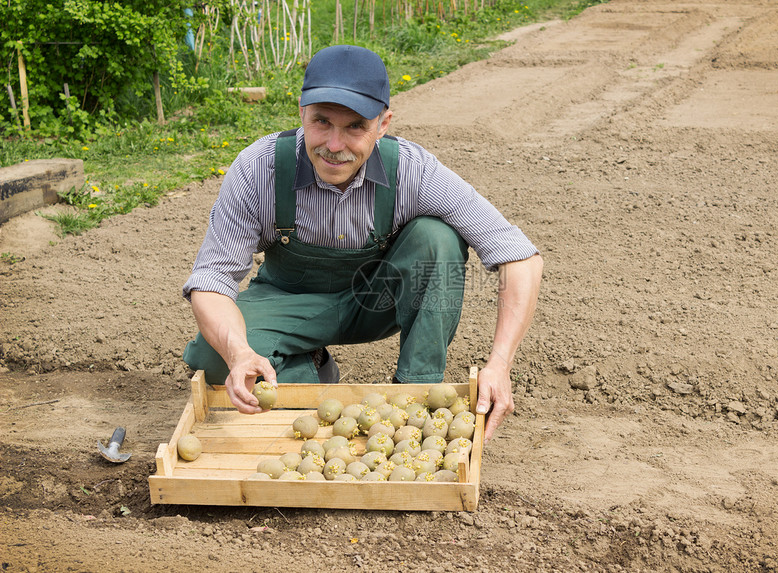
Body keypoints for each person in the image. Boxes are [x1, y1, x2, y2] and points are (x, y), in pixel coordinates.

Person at [182, 45, 542, 440]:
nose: (334, 145)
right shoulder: (259, 168)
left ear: (383, 123)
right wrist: (239, 352)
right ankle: (309, 372)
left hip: (377, 300)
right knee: (211, 357)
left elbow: (520, 257)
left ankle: (415, 392)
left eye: (355, 126)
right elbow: (212, 279)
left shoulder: (413, 171)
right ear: (301, 111)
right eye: (321, 122)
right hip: (290, 301)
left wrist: (499, 364)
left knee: (436, 237)